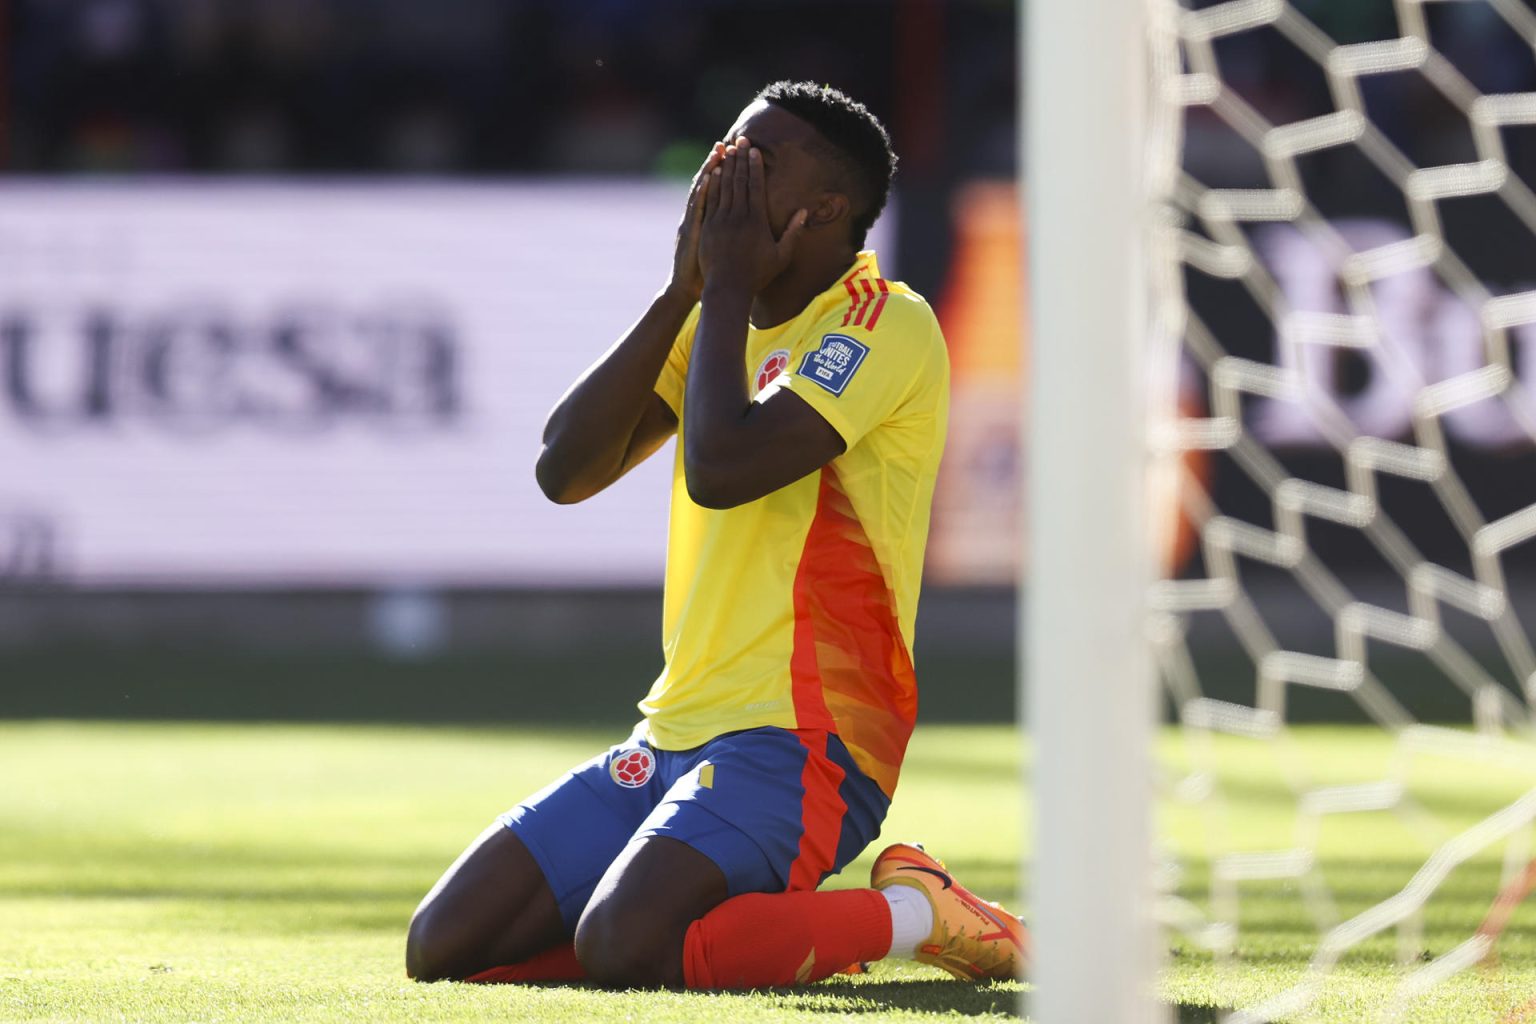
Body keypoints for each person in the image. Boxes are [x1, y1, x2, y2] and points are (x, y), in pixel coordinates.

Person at [405, 80, 1027, 989]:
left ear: (824, 209)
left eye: (756, 161)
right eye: (725, 149)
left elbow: (726, 470)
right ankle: (724, 930)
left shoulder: (886, 322)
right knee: (445, 946)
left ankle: (915, 914)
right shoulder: (712, 322)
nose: (721, 172)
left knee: (626, 946)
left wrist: (726, 285)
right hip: (671, 736)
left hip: (811, 740)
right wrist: (680, 291)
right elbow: (562, 472)